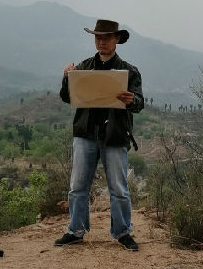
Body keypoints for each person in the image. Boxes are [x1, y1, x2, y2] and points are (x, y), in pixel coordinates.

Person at [55, 18, 144, 250]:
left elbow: (139, 103)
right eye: (98, 37)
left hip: (114, 135)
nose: (101, 42)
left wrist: (131, 100)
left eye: (106, 37)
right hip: (86, 134)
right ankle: (75, 230)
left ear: (116, 40)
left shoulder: (130, 72)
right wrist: (67, 78)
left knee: (119, 187)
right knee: (77, 186)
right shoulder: (82, 68)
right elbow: (67, 97)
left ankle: (123, 232)